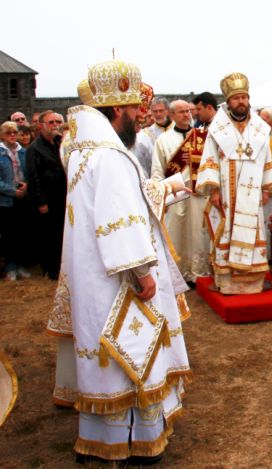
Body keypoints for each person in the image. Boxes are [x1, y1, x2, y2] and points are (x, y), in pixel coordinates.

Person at [52, 58, 191, 464]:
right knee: (131, 354)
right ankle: (138, 441)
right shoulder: (110, 156)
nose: (138, 118)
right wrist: (142, 272)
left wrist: (170, 187)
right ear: (117, 110)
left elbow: (118, 203)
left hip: (93, 278)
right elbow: (119, 221)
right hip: (119, 279)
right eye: (133, 111)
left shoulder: (81, 152)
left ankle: (105, 439)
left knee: (108, 356)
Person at [196, 72, 272, 294]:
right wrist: (213, 190)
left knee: (253, 231)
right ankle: (227, 282)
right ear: (229, 101)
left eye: (244, 97)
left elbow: (267, 159)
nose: (241, 101)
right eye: (236, 98)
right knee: (227, 231)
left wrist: (265, 188)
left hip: (253, 194)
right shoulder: (217, 128)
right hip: (227, 192)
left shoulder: (260, 128)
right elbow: (210, 159)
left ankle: (253, 281)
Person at [152, 100, 211, 284]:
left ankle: (199, 273)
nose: (187, 115)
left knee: (199, 234)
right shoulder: (163, 140)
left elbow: (211, 164)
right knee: (176, 234)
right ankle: (178, 275)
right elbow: (157, 171)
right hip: (176, 197)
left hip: (199, 194)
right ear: (172, 115)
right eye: (182, 112)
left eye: (188, 111)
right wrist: (162, 197)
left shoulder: (203, 136)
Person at [25, 110, 65, 280]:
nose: (55, 125)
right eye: (51, 122)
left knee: (61, 234)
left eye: (58, 122)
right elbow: (33, 177)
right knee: (49, 235)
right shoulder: (34, 149)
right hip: (48, 198)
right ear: (41, 126)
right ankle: (51, 269)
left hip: (62, 196)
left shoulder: (59, 143)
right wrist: (41, 202)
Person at [0, 121, 31, 281]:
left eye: (14, 133)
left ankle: (20, 265)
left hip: (22, 198)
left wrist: (26, 185)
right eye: (8, 133)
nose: (12, 136)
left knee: (21, 234)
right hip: (5, 201)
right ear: (2, 135)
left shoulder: (23, 152)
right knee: (8, 235)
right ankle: (11, 267)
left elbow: (29, 172)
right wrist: (12, 191)